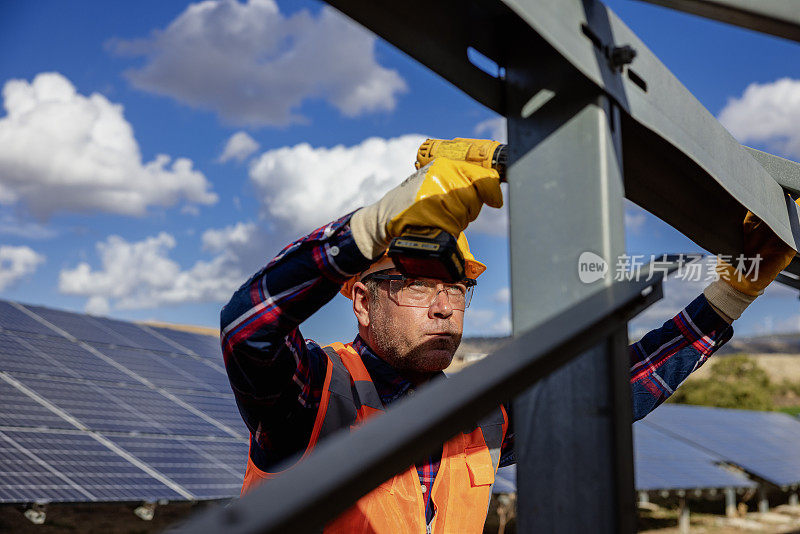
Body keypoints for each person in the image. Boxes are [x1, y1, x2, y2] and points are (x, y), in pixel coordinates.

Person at [221, 157, 796, 533]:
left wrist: (728, 298)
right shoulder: (313, 395)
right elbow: (249, 327)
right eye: (416, 284)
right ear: (363, 300)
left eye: (457, 289)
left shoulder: (483, 416)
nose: (444, 305)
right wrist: (371, 226)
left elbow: (613, 390)